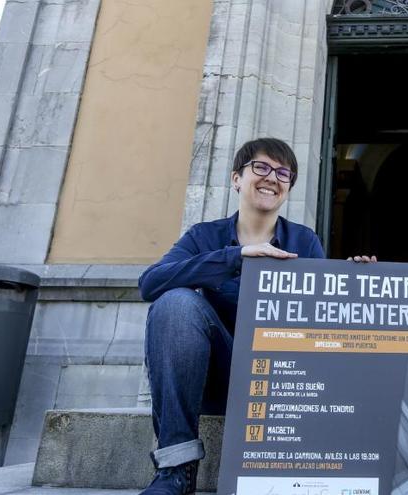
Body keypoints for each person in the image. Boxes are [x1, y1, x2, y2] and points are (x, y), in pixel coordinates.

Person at [137, 138, 325, 495]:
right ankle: (176, 469)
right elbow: (150, 283)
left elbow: (319, 322)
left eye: (284, 172)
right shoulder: (203, 236)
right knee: (175, 302)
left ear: (288, 187)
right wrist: (235, 257)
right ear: (237, 178)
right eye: (261, 167)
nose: (273, 177)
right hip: (215, 376)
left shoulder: (304, 241)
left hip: (279, 381)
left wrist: (359, 281)